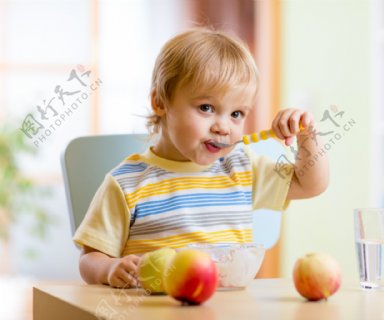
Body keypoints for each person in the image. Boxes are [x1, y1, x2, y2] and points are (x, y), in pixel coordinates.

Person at [73, 28, 329, 288]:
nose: (224, 127)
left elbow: (310, 184)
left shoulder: (241, 166)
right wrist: (108, 269)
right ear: (160, 102)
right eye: (206, 108)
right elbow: (89, 258)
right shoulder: (127, 183)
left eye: (237, 114)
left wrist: (307, 136)